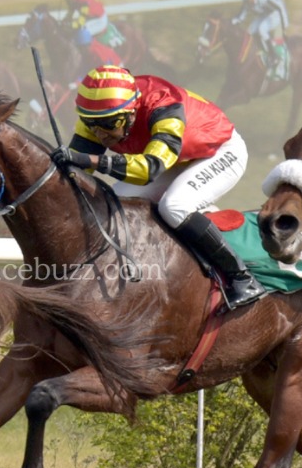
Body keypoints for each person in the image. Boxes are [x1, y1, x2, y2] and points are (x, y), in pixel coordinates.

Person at [53, 65, 269, 310]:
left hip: (218, 152)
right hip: (174, 158)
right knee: (113, 204)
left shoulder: (164, 106)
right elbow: (78, 171)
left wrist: (93, 161)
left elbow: (149, 169)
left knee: (174, 206)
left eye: (108, 125)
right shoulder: (99, 113)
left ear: (131, 111)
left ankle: (241, 278)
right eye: (92, 124)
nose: (100, 134)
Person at [231, 0, 290, 79]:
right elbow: (241, 16)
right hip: (264, 13)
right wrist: (232, 22)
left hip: (275, 13)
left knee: (262, 30)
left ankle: (273, 56)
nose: (247, 2)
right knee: (249, 31)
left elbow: (279, 8)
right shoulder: (247, 1)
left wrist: (284, 27)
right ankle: (259, 53)